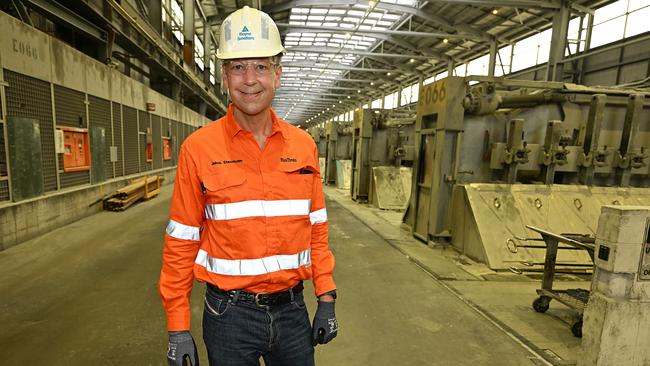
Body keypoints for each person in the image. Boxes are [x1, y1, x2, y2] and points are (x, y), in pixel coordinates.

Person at [159, 6, 338, 366]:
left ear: (278, 74)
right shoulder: (198, 149)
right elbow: (180, 241)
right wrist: (178, 327)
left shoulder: (304, 146)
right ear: (225, 76)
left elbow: (317, 228)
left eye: (261, 66)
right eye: (238, 67)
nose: (250, 79)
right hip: (229, 317)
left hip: (292, 312)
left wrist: (326, 298)